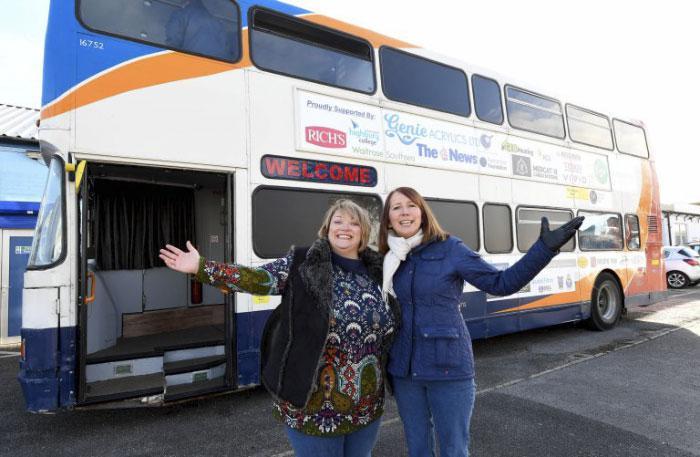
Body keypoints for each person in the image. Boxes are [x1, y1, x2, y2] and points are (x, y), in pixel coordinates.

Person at [159, 199, 398, 457]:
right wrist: (203, 268)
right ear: (327, 228)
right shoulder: (303, 263)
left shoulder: (379, 272)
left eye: (353, 223)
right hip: (313, 405)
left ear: (363, 231)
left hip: (366, 406)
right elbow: (258, 280)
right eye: (337, 221)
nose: (344, 228)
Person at [378, 187, 583, 457]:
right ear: (388, 219)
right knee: (417, 449)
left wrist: (544, 249)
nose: (404, 212)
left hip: (448, 367)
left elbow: (501, 283)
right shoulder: (389, 259)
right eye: (396, 207)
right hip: (404, 372)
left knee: (454, 450)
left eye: (411, 205)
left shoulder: (450, 248)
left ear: (423, 212)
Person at [165, 0, 236, 60]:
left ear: (186, 2)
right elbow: (227, 45)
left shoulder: (181, 14)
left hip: (194, 61)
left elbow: (173, 40)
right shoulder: (217, 21)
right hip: (220, 65)